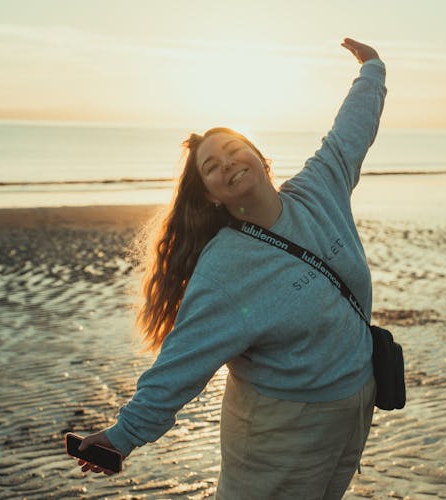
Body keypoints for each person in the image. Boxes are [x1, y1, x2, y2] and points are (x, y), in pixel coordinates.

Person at [74, 37, 387, 499]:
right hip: (280, 431)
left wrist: (373, 71)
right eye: (212, 167)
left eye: (234, 149)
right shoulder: (224, 267)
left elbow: (349, 132)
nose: (228, 164)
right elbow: (185, 359)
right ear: (210, 196)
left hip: (355, 410)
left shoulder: (319, 190)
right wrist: (124, 435)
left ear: (259, 156)